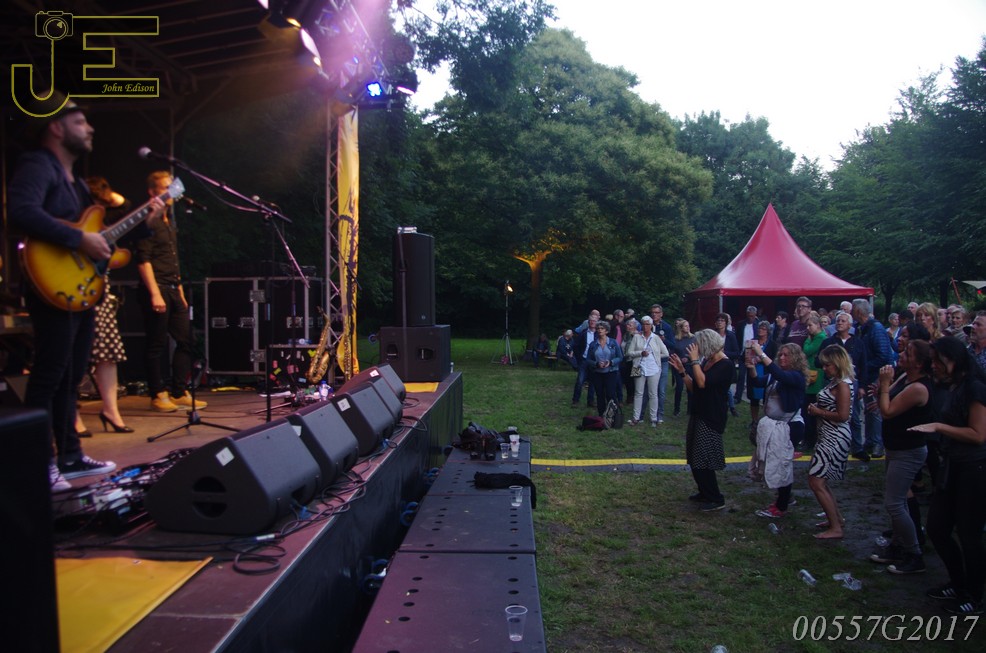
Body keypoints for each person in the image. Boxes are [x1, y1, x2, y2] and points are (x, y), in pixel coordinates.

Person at [7, 92, 144, 488]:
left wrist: (146, 221)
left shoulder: (78, 185)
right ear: (56, 127)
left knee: (70, 375)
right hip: (51, 284)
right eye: (81, 122)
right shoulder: (38, 165)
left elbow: (97, 235)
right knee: (49, 374)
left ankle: (69, 456)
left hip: (79, 289)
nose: (91, 129)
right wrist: (79, 239)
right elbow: (21, 211)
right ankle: (37, 462)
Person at [911, 337, 986, 615]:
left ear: (951, 359)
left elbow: (978, 434)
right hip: (952, 465)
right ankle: (957, 582)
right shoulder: (953, 385)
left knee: (969, 534)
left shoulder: (975, 388)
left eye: (937, 361)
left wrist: (939, 427)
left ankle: (974, 595)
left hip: (974, 469)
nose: (933, 366)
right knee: (937, 528)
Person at [136, 171, 207, 412]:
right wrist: (154, 293)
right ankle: (157, 393)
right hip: (156, 287)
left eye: (171, 188)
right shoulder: (148, 221)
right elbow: (143, 260)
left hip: (174, 287)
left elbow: (172, 260)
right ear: (152, 192)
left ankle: (179, 391)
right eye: (164, 188)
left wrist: (180, 289)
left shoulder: (169, 221)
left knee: (186, 340)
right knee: (156, 344)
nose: (170, 193)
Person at [869, 340, 934, 574]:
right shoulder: (905, 377)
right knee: (900, 501)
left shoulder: (919, 388)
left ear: (919, 363)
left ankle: (914, 554)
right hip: (895, 448)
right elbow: (884, 401)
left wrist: (885, 384)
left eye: (908, 353)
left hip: (908, 451)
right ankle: (898, 545)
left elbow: (887, 411)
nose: (902, 354)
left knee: (894, 503)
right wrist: (882, 390)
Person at [80, 176, 134, 433]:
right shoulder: (76, 221)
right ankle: (72, 416)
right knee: (76, 355)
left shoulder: (104, 221)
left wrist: (109, 195)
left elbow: (125, 205)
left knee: (108, 355)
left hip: (100, 290)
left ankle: (111, 410)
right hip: (75, 290)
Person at [670, 329, 732, 511]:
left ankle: (715, 497)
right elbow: (695, 387)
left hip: (711, 415)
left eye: (699, 345)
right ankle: (704, 492)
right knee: (694, 456)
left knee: (703, 458)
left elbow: (703, 382)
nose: (696, 348)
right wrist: (682, 372)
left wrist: (695, 361)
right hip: (699, 411)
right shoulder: (707, 362)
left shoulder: (725, 365)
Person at [747, 342, 808, 518]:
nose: (782, 358)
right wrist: (751, 367)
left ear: (795, 358)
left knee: (782, 464)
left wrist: (761, 354)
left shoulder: (796, 376)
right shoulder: (774, 376)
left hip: (790, 426)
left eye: (786, 355)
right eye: (780, 354)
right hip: (774, 426)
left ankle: (782, 506)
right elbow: (757, 382)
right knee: (775, 462)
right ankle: (785, 497)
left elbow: (781, 375)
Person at [805, 345, 854, 540]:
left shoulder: (843, 385)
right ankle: (836, 519)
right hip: (827, 435)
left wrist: (819, 411)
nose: (824, 368)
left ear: (838, 363)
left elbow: (843, 415)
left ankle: (835, 527)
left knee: (816, 480)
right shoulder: (836, 382)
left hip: (835, 436)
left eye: (828, 365)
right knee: (821, 480)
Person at [852, 298, 894, 458]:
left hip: (877, 374)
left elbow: (883, 355)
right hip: (869, 374)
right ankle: (870, 441)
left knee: (874, 409)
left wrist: (863, 366)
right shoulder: (863, 328)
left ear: (858, 311)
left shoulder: (875, 329)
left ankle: (877, 443)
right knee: (869, 409)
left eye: (853, 310)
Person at [624, 316, 668, 426]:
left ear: (651, 326)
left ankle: (654, 418)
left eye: (647, 324)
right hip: (638, 366)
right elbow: (629, 352)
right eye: (643, 324)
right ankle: (636, 417)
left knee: (653, 393)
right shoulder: (637, 337)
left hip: (654, 368)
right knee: (638, 393)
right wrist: (640, 353)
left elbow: (665, 353)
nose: (645, 326)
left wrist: (655, 355)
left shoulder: (655, 338)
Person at [801, 313, 827, 450]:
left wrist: (807, 340)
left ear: (818, 325)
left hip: (816, 379)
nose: (808, 328)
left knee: (810, 411)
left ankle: (811, 439)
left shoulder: (820, 338)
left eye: (810, 325)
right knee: (806, 410)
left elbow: (807, 350)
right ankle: (808, 438)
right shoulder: (814, 338)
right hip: (810, 376)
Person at [586, 320, 622, 416]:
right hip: (597, 373)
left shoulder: (613, 343)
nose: (599, 330)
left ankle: (613, 415)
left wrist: (611, 362)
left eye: (602, 328)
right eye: (598, 328)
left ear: (606, 331)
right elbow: (588, 359)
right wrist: (596, 364)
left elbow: (620, 357)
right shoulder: (593, 344)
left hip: (611, 372)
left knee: (610, 394)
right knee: (599, 394)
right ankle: (601, 415)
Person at [649, 304, 676, 423]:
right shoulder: (647, 325)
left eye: (656, 312)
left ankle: (660, 413)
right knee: (649, 389)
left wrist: (664, 340)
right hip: (649, 360)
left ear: (661, 314)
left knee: (661, 389)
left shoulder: (666, 327)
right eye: (653, 312)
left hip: (663, 360)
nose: (654, 314)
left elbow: (673, 345)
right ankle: (647, 413)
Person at [714, 312, 741, 417]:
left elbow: (737, 353)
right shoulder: (713, 335)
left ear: (726, 323)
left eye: (722, 321)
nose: (720, 323)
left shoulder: (731, 336)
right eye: (718, 321)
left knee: (727, 387)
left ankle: (732, 407)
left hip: (727, 365)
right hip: (715, 364)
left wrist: (724, 353)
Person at [571, 312, 598, 407]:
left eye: (594, 321)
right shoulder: (583, 333)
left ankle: (590, 401)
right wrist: (579, 358)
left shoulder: (599, 334)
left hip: (594, 361)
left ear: (597, 322)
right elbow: (576, 346)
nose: (592, 322)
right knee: (580, 380)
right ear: (588, 322)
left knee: (593, 382)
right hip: (584, 359)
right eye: (591, 321)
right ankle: (575, 400)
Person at [735, 306, 760, 401]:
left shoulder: (758, 325)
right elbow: (737, 337)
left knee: (752, 375)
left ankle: (751, 395)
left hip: (753, 353)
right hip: (742, 353)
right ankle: (738, 396)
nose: (750, 318)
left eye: (752, 316)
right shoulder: (741, 324)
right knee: (741, 376)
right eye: (749, 316)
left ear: (755, 315)